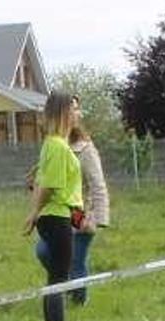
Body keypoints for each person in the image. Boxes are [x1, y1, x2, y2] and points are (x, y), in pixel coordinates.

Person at [36, 102, 111, 306]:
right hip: (56, 215)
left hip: (80, 215)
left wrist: (97, 219)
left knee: (76, 260)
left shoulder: (86, 149)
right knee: (43, 251)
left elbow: (98, 185)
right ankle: (67, 286)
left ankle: (79, 301)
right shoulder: (54, 146)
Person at [23, 91, 83, 321]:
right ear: (64, 112)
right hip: (58, 216)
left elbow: (40, 181)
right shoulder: (58, 147)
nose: (79, 114)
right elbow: (49, 186)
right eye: (75, 109)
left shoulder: (52, 143)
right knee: (59, 279)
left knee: (56, 276)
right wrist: (34, 213)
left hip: (59, 215)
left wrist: (34, 214)